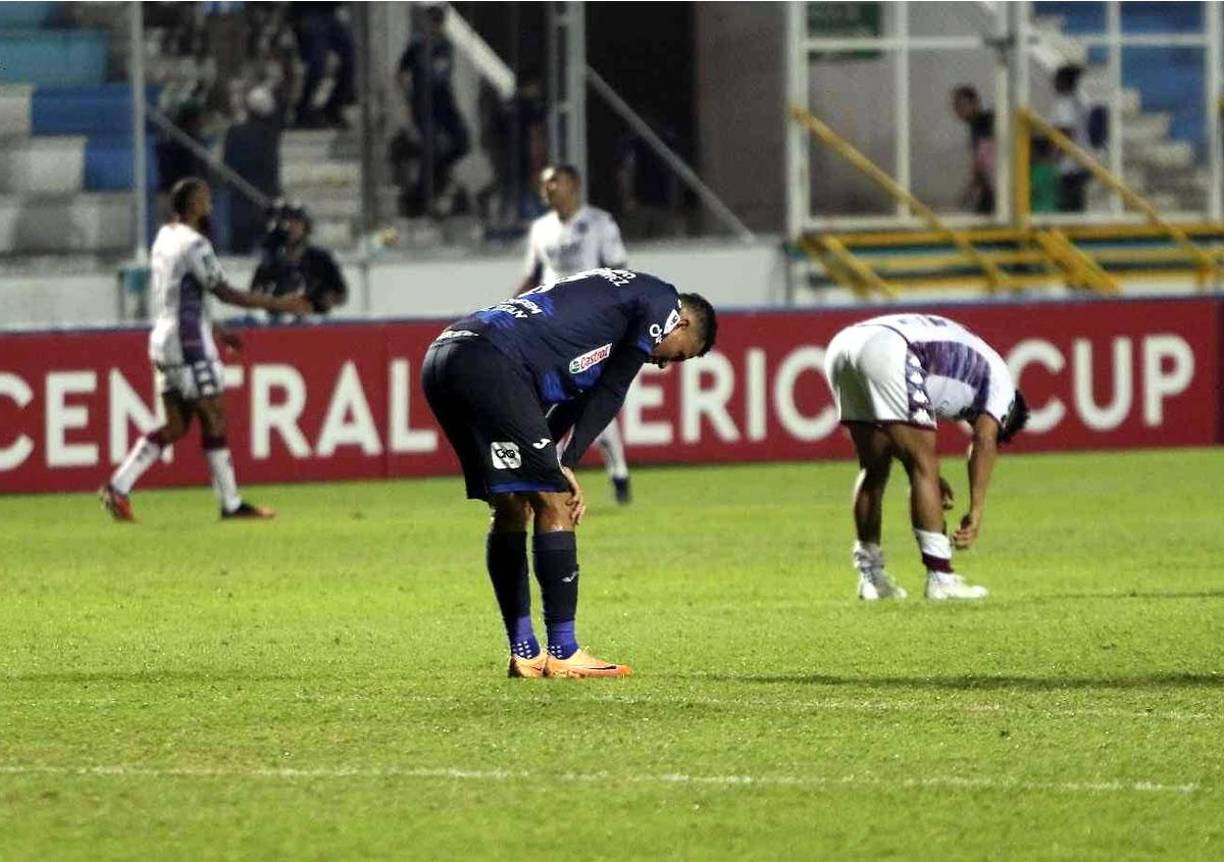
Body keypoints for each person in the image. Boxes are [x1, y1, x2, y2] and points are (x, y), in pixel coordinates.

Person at [421, 268, 717, 678]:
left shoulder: (609, 315)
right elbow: (613, 390)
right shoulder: (663, 302)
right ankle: (563, 650)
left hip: (447, 354)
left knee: (511, 502)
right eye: (678, 354)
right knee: (553, 499)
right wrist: (562, 466)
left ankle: (525, 652)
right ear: (681, 323)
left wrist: (558, 460)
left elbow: (582, 396)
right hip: (493, 360)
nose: (665, 365)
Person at [100, 178, 312, 523]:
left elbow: (178, 294)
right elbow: (224, 292)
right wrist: (281, 303)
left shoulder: (164, 238)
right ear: (193, 205)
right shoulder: (195, 244)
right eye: (204, 198)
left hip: (165, 337)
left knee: (176, 426)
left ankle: (118, 487)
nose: (209, 203)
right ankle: (231, 504)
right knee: (214, 417)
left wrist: (217, 328)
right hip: (188, 344)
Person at [823, 313, 1030, 601]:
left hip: (845, 346)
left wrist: (929, 473)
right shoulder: (1003, 387)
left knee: (874, 467)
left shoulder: (968, 372)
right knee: (923, 466)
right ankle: (940, 577)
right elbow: (984, 439)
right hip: (891, 347)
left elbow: (904, 442)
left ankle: (871, 578)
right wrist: (976, 509)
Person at [516, 164, 635, 504]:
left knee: (585, 400)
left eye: (554, 181)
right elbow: (533, 275)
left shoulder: (600, 223)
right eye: (544, 183)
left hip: (591, 327)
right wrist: (507, 310)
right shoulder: (540, 229)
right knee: (558, 400)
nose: (547, 188)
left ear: (574, 184)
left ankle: (615, 470)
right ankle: (559, 479)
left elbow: (619, 271)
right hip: (551, 327)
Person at [396, 3, 470, 216]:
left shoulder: (445, 45)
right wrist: (408, 99)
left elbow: (443, 77)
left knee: (462, 142)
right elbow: (401, 73)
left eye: (439, 23)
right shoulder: (417, 45)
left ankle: (439, 177)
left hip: (444, 104)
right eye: (433, 22)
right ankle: (421, 198)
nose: (435, 27)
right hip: (423, 105)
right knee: (429, 149)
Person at [249, 201, 347, 319]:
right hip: (278, 326)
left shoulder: (321, 259)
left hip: (313, 324)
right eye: (286, 222)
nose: (291, 227)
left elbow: (340, 294)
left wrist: (324, 298)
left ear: (305, 226)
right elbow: (255, 294)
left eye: (296, 222)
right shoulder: (271, 261)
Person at [223, 86, 282, 254]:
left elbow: (228, 165)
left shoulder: (235, 132)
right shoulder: (269, 136)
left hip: (241, 202)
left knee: (239, 250)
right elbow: (272, 168)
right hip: (262, 199)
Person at [950, 86, 996, 216]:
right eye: (955, 106)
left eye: (960, 105)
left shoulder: (985, 125)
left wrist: (963, 199)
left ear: (975, 102)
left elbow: (982, 165)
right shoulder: (976, 127)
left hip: (998, 188)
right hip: (992, 188)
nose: (957, 110)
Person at [1052, 64, 1091, 213]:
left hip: (1069, 164)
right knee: (1077, 203)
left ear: (1063, 81)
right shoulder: (1083, 101)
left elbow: (1066, 131)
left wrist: (1054, 156)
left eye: (1056, 80)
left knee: (1068, 206)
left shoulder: (1063, 104)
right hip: (1083, 158)